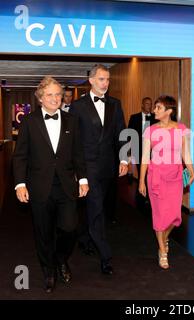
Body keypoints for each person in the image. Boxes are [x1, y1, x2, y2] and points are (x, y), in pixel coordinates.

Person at [12, 77, 89, 293]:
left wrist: (83, 179)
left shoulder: (72, 121)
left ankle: (61, 258)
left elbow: (78, 153)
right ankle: (48, 270)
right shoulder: (28, 121)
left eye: (58, 94)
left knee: (70, 228)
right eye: (50, 95)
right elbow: (20, 156)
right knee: (43, 233)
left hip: (66, 186)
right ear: (40, 99)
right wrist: (20, 184)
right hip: (39, 187)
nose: (55, 98)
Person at [69, 64, 128, 275]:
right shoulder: (78, 106)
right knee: (97, 209)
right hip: (88, 166)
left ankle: (84, 237)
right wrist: (75, 169)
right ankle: (105, 256)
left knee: (96, 206)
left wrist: (124, 159)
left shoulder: (115, 104)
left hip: (108, 166)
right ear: (91, 80)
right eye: (102, 79)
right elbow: (73, 140)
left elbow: (122, 134)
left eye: (108, 79)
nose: (106, 83)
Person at [138, 95, 194, 270]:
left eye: (158, 108)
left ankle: (164, 237)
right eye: (155, 107)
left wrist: (192, 170)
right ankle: (162, 251)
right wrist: (141, 181)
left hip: (175, 176)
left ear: (169, 111)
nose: (154, 110)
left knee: (175, 216)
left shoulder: (182, 129)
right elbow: (145, 157)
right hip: (156, 176)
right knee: (159, 215)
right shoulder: (151, 130)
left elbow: (185, 153)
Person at [128, 97, 158, 210]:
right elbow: (129, 133)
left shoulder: (155, 118)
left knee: (151, 172)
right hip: (139, 150)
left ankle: (149, 196)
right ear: (142, 104)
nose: (148, 106)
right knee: (142, 172)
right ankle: (142, 195)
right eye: (146, 104)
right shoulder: (134, 117)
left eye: (150, 104)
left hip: (152, 151)